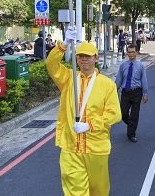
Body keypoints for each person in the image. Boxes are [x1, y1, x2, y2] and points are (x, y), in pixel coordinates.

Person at [46, 27, 121, 196]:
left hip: (96, 147)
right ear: (76, 59)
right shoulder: (68, 79)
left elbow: (115, 114)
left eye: (88, 56)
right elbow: (51, 64)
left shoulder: (107, 84)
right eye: (80, 56)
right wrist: (63, 45)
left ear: (96, 58)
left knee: (99, 191)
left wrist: (90, 125)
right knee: (75, 191)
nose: (84, 59)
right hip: (71, 147)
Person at [115, 45, 148, 143]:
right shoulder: (123, 65)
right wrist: (113, 91)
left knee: (134, 114)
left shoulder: (140, 66)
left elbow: (144, 80)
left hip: (136, 92)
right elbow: (118, 80)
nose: (131, 54)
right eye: (129, 52)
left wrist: (145, 94)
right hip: (125, 92)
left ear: (137, 53)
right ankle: (131, 125)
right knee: (123, 113)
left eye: (133, 52)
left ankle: (131, 134)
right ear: (127, 53)